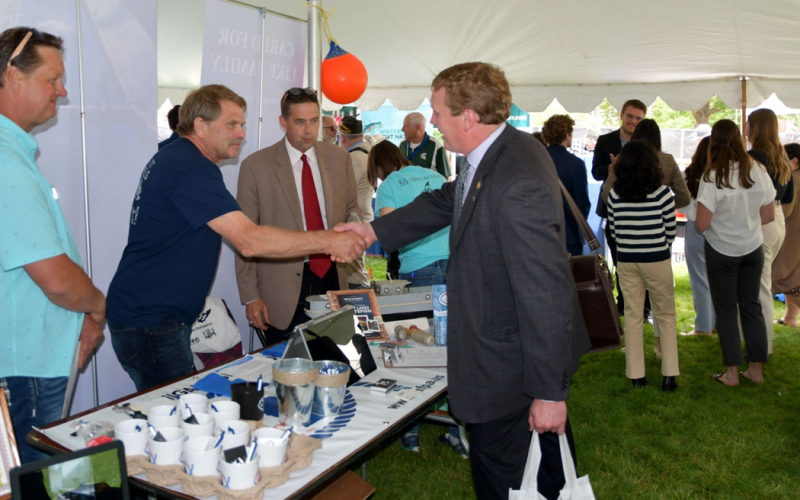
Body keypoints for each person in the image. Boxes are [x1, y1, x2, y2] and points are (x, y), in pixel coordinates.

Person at [337, 62, 591, 500]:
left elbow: (545, 292)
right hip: (506, 359)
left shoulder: (517, 178)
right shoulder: (499, 152)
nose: (433, 121)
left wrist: (550, 394)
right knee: (539, 478)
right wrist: (372, 230)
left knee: (508, 480)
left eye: (438, 112)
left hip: (511, 371)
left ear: (468, 117)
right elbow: (445, 198)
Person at [106, 85, 365, 391]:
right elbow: (249, 240)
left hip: (155, 316)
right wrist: (328, 241)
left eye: (242, 124)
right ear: (200, 126)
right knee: (173, 408)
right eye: (231, 124)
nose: (241, 133)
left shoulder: (181, 158)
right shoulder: (190, 168)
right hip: (153, 319)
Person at [0, 27, 106, 463]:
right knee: (34, 479)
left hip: (25, 362)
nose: (62, 92)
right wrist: (97, 305)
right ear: (13, 76)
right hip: (25, 368)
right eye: (52, 79)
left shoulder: (14, 155)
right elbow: (56, 279)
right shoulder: (5, 161)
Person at [235, 87, 362, 346]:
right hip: (281, 288)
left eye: (314, 121)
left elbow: (352, 207)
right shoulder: (256, 166)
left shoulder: (339, 157)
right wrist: (251, 296)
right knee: (286, 362)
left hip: (333, 275)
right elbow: (243, 235)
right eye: (300, 122)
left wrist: (354, 228)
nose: (308, 130)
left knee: (335, 357)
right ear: (283, 122)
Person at [367, 140, 459, 454]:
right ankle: (456, 427)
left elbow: (389, 232)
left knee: (419, 348)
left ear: (378, 168)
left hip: (420, 268)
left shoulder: (389, 187)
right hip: (455, 264)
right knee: (454, 346)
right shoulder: (435, 175)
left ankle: (411, 431)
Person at [696, 119, 775, 386]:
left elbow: (702, 224)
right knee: (752, 307)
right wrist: (745, 224)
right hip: (752, 248)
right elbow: (768, 215)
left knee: (726, 310)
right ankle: (756, 371)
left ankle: (731, 374)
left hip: (722, 250)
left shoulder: (712, 176)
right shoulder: (758, 169)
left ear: (713, 142)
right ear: (740, 139)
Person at [607, 140, 679, 391]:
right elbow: (671, 231)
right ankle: (669, 375)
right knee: (666, 315)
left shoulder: (614, 195)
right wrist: (658, 246)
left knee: (633, 315)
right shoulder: (662, 193)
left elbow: (614, 231)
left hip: (627, 260)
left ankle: (636, 375)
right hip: (657, 259)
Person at [592, 99, 647, 316]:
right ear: (622, 115)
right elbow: (596, 172)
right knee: (619, 259)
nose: (633, 121)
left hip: (641, 210)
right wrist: (611, 168)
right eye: (630, 116)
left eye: (638, 118)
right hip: (613, 210)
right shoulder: (605, 141)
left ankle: (645, 307)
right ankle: (623, 303)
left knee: (642, 263)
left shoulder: (646, 143)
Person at [746, 109, 794, 355]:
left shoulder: (752, 158)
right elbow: (788, 199)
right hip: (777, 220)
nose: (745, 128)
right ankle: (758, 344)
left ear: (756, 128)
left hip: (760, 220)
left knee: (759, 288)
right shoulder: (783, 158)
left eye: (748, 124)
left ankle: (761, 348)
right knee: (759, 285)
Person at [680, 136, 716, 337]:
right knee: (716, 278)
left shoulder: (689, 174)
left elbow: (682, 204)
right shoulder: (723, 175)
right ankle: (715, 322)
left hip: (695, 226)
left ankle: (703, 326)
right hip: (719, 227)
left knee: (699, 278)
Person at [541, 114, 590, 256]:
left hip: (541, 233)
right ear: (567, 135)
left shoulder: (535, 160)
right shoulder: (576, 164)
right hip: (570, 234)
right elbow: (582, 204)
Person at [338, 116, 373, 289]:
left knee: (354, 271)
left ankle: (359, 298)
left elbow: (343, 191)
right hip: (362, 215)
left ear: (342, 137)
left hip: (355, 218)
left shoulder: (354, 157)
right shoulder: (367, 153)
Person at [772, 143, 800, 327]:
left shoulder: (793, 179)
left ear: (794, 160)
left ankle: (790, 316)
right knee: (793, 275)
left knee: (786, 276)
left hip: (792, 234)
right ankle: (790, 317)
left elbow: (786, 211)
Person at [399, 111, 451, 178]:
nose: (402, 129)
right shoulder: (402, 144)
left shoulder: (436, 146)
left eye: (405, 126)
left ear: (418, 127)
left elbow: (445, 177)